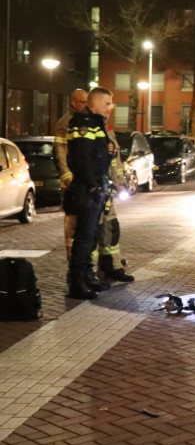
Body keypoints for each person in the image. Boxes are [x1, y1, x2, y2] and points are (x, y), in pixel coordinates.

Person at [64, 88, 115, 299]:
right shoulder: (84, 123)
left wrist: (110, 154)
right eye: (108, 103)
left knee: (92, 236)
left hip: (93, 188)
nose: (110, 108)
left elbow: (96, 158)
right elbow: (81, 158)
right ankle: (77, 283)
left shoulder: (95, 123)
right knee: (84, 238)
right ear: (95, 103)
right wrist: (93, 185)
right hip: (86, 190)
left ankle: (87, 277)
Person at [97, 111, 135, 283]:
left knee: (111, 230)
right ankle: (89, 274)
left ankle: (112, 267)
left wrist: (120, 183)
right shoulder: (85, 128)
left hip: (106, 191)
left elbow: (115, 159)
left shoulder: (107, 129)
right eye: (106, 105)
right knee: (92, 235)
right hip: (93, 191)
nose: (109, 109)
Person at [54, 89, 89, 260]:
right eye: (82, 102)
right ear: (73, 103)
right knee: (72, 225)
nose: (85, 105)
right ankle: (72, 262)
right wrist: (68, 178)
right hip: (72, 184)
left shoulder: (87, 121)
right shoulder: (65, 123)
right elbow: (61, 153)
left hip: (84, 182)